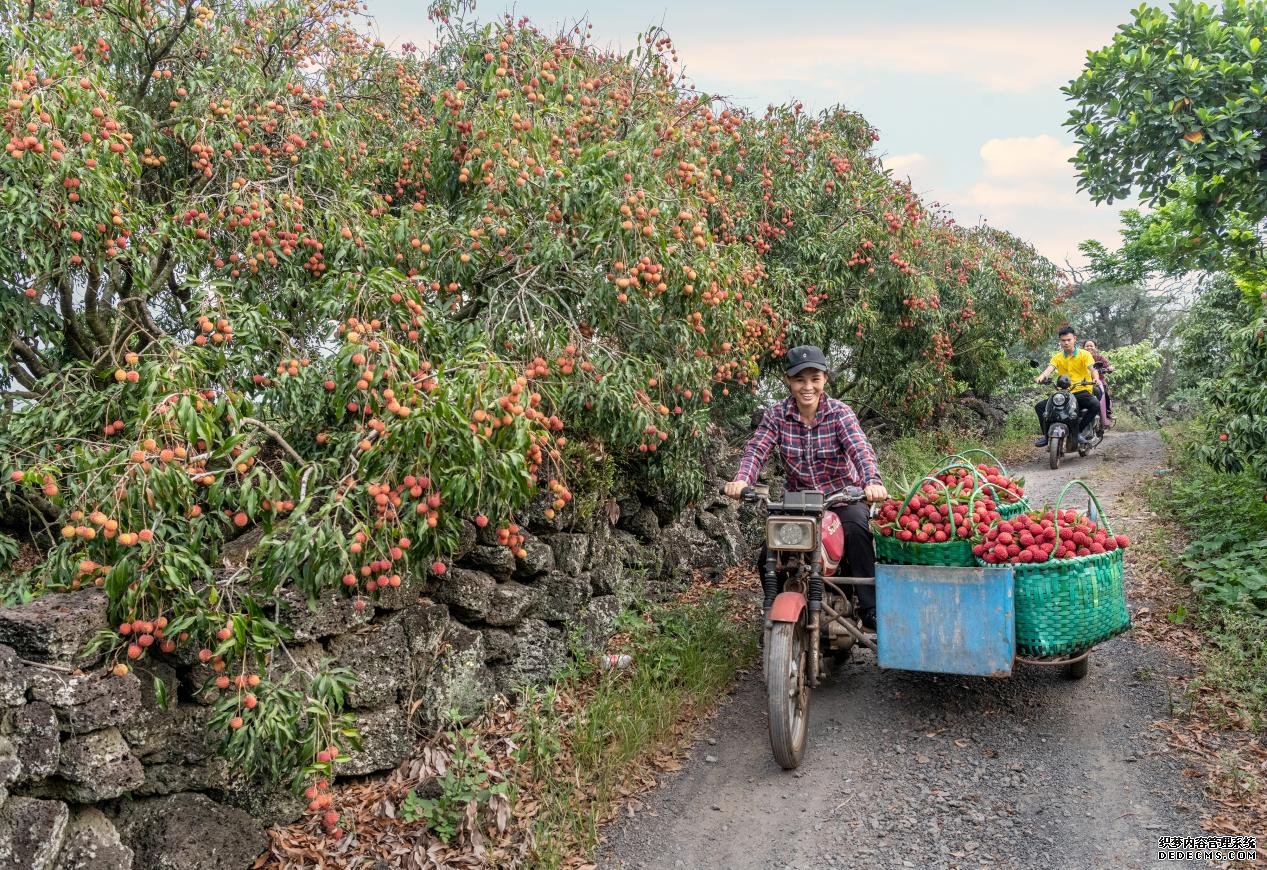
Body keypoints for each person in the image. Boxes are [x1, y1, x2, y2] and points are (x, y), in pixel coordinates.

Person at [723, 345, 889, 628]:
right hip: (799, 501)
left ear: (825, 378)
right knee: (768, 556)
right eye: (800, 379)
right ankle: (775, 618)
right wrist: (742, 480)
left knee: (858, 530)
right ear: (788, 381)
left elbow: (861, 450)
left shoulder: (840, 413)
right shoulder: (776, 415)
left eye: (814, 378)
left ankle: (869, 608)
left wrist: (872, 482)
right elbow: (756, 448)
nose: (807, 386)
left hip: (842, 497)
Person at [1033, 326, 1099, 447]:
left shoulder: (1084, 355)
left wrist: (1096, 378)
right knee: (1040, 407)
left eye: (1069, 339)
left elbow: (1092, 369)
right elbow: (1049, 369)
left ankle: (1079, 431)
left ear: (1074, 339)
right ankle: (1046, 436)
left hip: (1081, 391)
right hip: (1064, 393)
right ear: (1060, 341)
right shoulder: (1057, 357)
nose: (1066, 342)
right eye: (1063, 340)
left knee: (1095, 404)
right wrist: (1041, 377)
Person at [1082, 339, 1114, 425]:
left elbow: (1108, 366)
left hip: (1098, 381)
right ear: (1083, 348)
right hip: (1083, 382)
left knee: (1104, 392)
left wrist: (1109, 368)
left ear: (1095, 347)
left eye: (1091, 346)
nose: (1089, 347)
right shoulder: (1080, 357)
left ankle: (1107, 411)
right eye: (1087, 346)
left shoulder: (1099, 358)